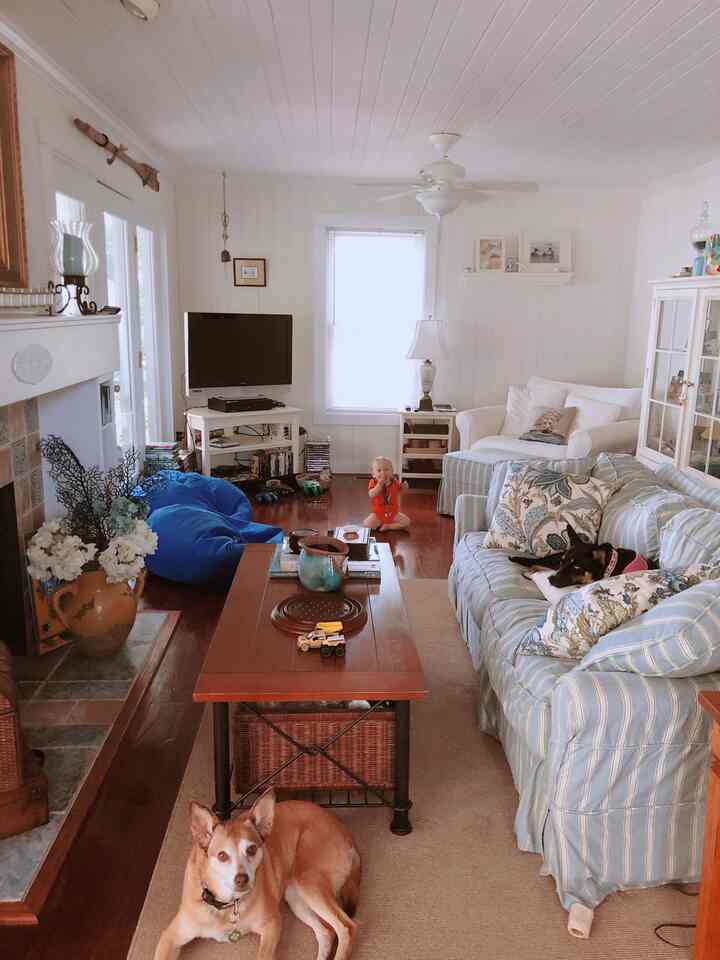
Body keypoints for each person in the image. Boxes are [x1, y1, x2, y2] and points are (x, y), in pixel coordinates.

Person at [363, 456, 410, 531]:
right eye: (379, 470)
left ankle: (389, 526)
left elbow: (400, 491)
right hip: (378, 514)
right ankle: (380, 523)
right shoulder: (373, 482)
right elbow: (371, 494)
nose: (383, 473)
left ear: (392, 471)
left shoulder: (395, 482)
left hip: (393, 513)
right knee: (366, 524)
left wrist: (404, 487)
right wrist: (379, 485)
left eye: (386, 469)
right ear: (373, 474)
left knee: (407, 522)